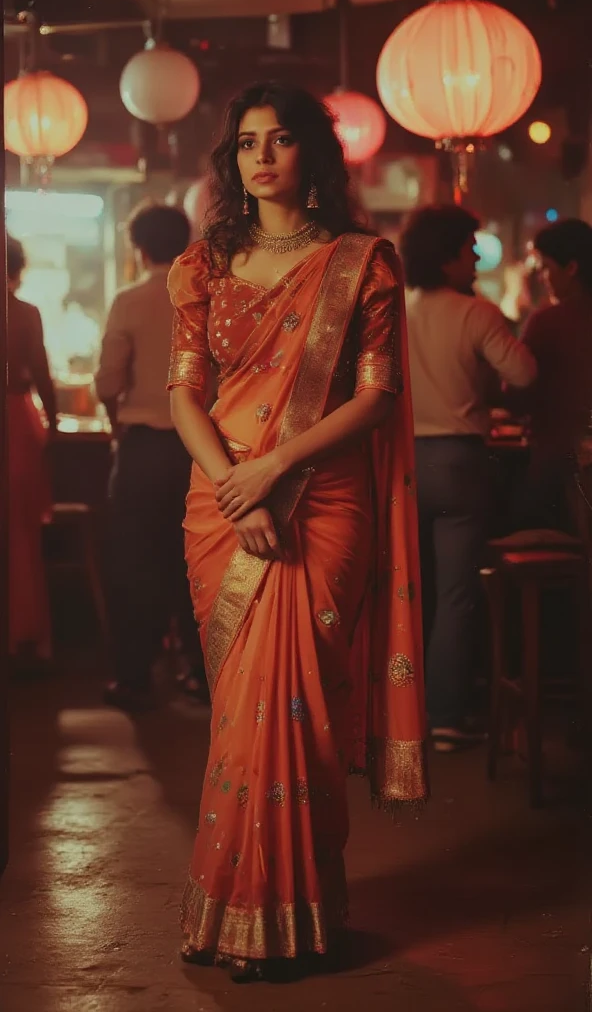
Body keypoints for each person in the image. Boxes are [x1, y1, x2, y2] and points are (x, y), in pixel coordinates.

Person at [167, 81, 427, 982]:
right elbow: (182, 393)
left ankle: (297, 913)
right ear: (233, 161)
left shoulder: (363, 263)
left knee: (303, 706)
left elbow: (377, 393)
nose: (263, 156)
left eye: (280, 140)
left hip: (319, 497)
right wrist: (234, 489)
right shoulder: (202, 265)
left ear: (314, 155)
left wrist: (276, 471)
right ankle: (236, 908)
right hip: (223, 500)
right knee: (242, 717)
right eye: (247, 144)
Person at [400, 205, 537, 753]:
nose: (477, 256)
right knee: (457, 596)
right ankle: (446, 717)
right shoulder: (474, 313)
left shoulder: (393, 310)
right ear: (449, 255)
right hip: (459, 462)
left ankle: (395, 718)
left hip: (400, 465)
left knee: (405, 593)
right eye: (470, 248)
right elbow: (525, 373)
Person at [95, 203, 207, 711]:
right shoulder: (208, 297)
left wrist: (116, 420)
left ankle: (134, 677)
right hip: (201, 449)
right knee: (199, 563)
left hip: (142, 449)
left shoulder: (129, 301)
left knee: (136, 564)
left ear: (138, 248)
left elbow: (109, 380)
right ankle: (202, 676)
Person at [506, 218, 592, 530]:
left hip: (556, 461)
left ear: (571, 268)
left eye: (547, 268)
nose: (543, 278)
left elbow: (516, 394)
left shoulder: (548, 322)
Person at [6, 235, 57, 668]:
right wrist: (54, 424)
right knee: (21, 532)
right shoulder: (23, 313)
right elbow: (41, 373)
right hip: (15, 421)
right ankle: (24, 636)